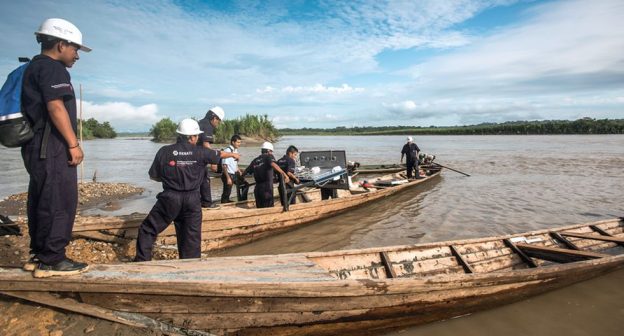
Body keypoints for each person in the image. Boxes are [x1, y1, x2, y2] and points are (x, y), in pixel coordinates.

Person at [20, 18, 92, 278]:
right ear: (61, 44)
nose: (77, 55)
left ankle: (39, 256)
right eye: (75, 49)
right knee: (60, 200)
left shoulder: (34, 67)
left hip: (35, 145)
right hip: (52, 146)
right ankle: (52, 260)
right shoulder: (54, 69)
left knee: (41, 198)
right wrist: (73, 144)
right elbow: (55, 106)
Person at [134, 119, 240, 262]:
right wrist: (233, 155)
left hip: (170, 198)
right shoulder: (201, 152)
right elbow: (218, 154)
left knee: (148, 229)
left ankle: (142, 262)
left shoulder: (164, 151)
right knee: (191, 239)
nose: (197, 139)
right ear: (191, 137)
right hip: (193, 200)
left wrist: (170, 178)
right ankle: (190, 267)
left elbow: (154, 176)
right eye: (196, 136)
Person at [243, 142, 290, 208]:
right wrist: (284, 175)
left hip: (257, 190)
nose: (272, 153)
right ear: (268, 151)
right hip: (267, 190)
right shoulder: (269, 156)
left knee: (260, 208)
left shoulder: (255, 160)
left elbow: (245, 172)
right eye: (271, 151)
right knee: (269, 208)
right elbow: (274, 165)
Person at [197, 106, 224, 208]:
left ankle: (199, 203)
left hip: (192, 157)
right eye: (219, 121)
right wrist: (213, 161)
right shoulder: (207, 125)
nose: (218, 124)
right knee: (205, 180)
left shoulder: (200, 123)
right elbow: (206, 145)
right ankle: (207, 204)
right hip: (198, 159)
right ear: (214, 118)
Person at [220, 134, 243, 203]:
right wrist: (228, 178)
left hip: (234, 174)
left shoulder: (235, 150)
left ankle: (241, 200)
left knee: (244, 184)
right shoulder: (227, 151)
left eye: (240, 142)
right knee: (226, 193)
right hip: (228, 174)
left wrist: (238, 170)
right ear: (233, 142)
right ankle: (224, 205)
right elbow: (224, 166)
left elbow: (234, 163)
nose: (239, 144)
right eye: (238, 142)